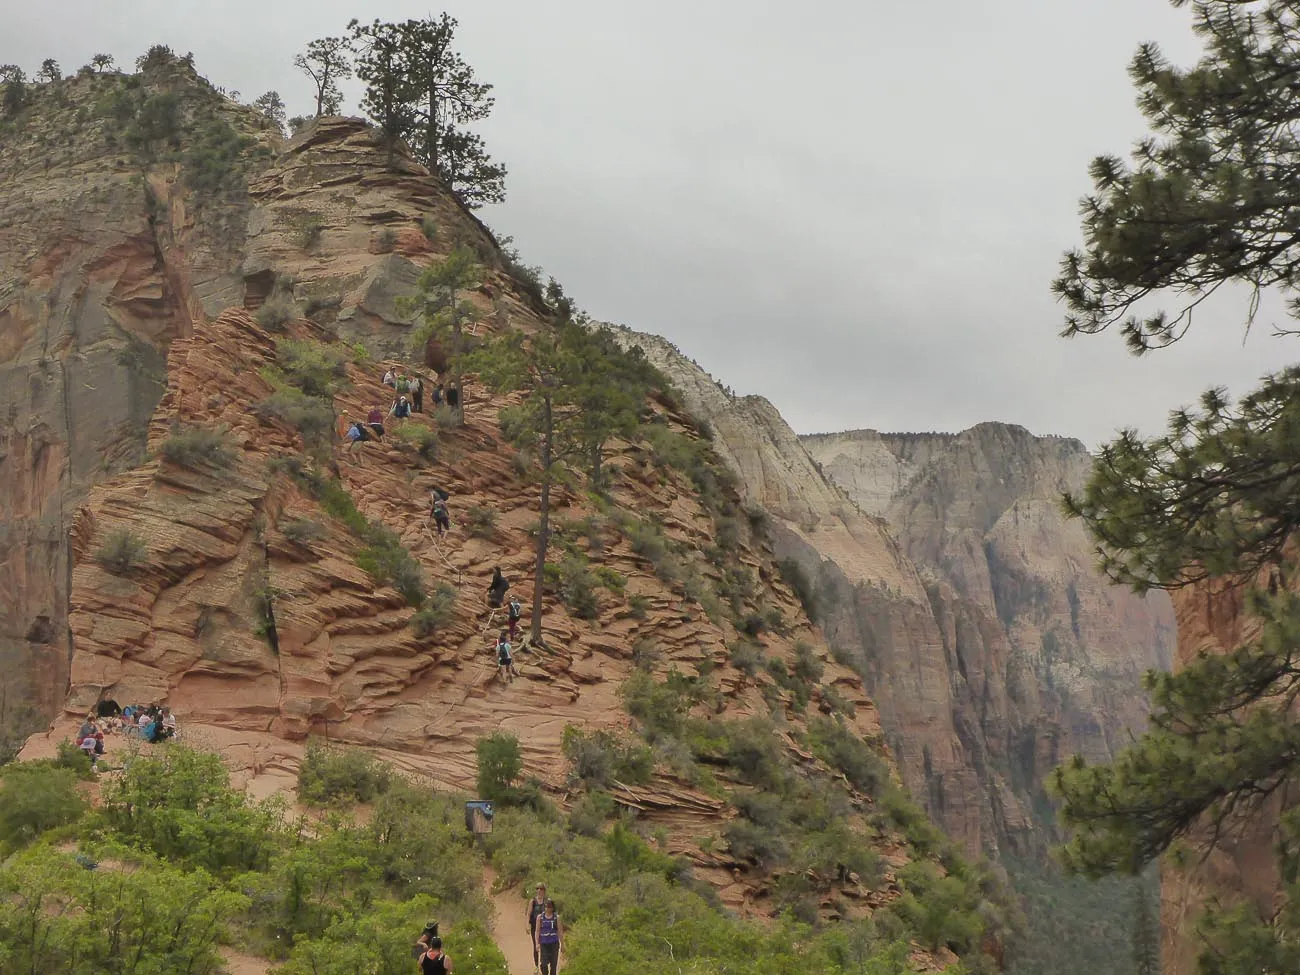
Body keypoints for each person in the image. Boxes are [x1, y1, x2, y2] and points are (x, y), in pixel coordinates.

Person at [534, 899, 562, 975]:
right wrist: (537, 943)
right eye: (546, 906)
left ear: (552, 908)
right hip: (544, 944)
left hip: (554, 943)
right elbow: (537, 931)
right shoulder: (540, 917)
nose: (547, 908)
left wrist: (563, 944)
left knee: (553, 965)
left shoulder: (556, 917)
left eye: (549, 907)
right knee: (543, 963)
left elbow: (560, 931)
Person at [526, 883, 548, 972]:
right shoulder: (533, 901)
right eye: (537, 888)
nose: (539, 890)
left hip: (544, 928)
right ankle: (536, 966)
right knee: (536, 946)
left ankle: (543, 964)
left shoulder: (546, 901)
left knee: (543, 946)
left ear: (544, 890)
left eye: (540, 888)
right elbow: (528, 913)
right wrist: (527, 924)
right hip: (535, 928)